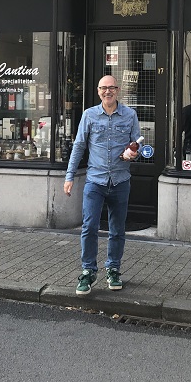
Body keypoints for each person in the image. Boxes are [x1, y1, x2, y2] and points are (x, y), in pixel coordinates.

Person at [64, 75, 140, 295]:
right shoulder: (89, 115)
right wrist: (69, 176)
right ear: (98, 91)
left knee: (117, 229)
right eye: (103, 88)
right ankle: (88, 271)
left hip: (120, 181)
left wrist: (132, 154)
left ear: (118, 90)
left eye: (111, 88)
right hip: (95, 181)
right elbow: (79, 146)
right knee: (89, 227)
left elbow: (136, 144)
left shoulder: (130, 115)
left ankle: (113, 269)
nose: (108, 91)